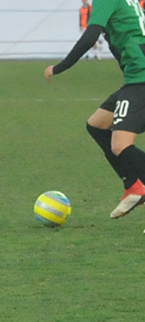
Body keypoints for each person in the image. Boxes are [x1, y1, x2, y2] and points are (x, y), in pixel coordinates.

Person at [46, 0, 145, 222]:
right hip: (137, 77)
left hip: (141, 79)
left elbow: (90, 37)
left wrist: (59, 67)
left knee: (120, 145)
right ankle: (133, 185)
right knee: (97, 124)